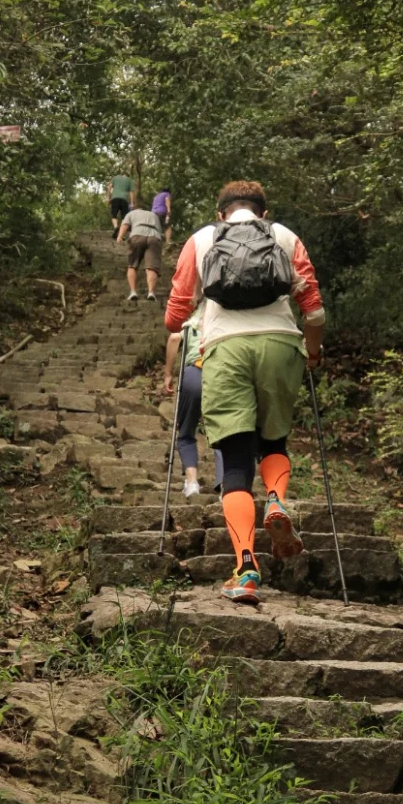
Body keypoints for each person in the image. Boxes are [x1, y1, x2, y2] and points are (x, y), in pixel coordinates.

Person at [164, 180, 324, 604]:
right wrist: (311, 352)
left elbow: (175, 314)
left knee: (234, 459)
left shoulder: (200, 240)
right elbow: (315, 308)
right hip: (279, 343)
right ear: (263, 213)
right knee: (274, 440)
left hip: (224, 349)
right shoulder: (286, 237)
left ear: (221, 215)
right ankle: (275, 499)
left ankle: (247, 568)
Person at [164, 308, 225, 499]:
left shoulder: (191, 322)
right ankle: (226, 484)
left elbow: (174, 339)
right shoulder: (226, 319)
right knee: (223, 433)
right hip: (220, 375)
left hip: (193, 375)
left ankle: (192, 483)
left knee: (186, 432)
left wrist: (168, 373)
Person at [117, 205, 163, 301]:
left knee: (132, 265)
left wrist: (120, 236)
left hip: (137, 236)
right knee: (152, 267)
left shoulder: (131, 213)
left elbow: (125, 224)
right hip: (154, 238)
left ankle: (133, 292)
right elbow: (159, 231)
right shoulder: (154, 215)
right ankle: (151, 293)